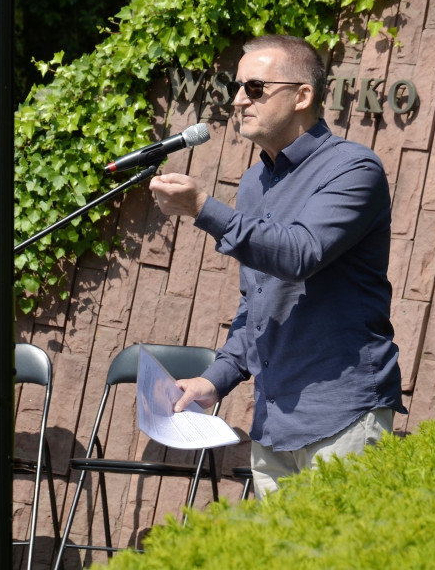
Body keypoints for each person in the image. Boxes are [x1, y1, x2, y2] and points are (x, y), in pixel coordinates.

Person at [148, 34, 405, 496]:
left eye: (255, 88)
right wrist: (216, 380)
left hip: (343, 415)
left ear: (302, 95)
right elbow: (259, 303)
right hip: (273, 424)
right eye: (236, 87)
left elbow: (300, 254)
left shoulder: (353, 168)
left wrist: (204, 206)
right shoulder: (253, 183)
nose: (238, 100)